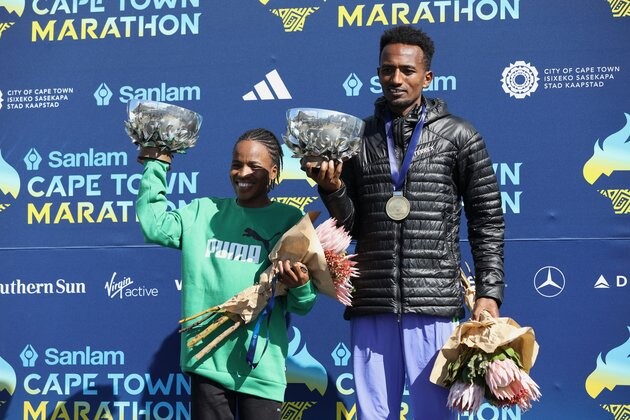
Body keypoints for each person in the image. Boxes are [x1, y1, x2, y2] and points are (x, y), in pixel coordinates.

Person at [302, 25, 505, 419]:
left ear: (427, 77)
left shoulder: (459, 136)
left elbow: (487, 220)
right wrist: (333, 190)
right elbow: (353, 227)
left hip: (434, 302)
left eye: (407, 71)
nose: (396, 79)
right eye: (387, 70)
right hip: (372, 302)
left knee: (434, 413)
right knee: (373, 415)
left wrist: (489, 293)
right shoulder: (356, 138)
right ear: (378, 73)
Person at [136, 128, 317, 420]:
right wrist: (156, 164)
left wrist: (301, 285)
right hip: (207, 362)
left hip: (261, 367)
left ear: (274, 172)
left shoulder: (291, 221)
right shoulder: (202, 212)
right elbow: (154, 226)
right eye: (236, 164)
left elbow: (303, 305)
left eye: (254, 166)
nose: (242, 173)